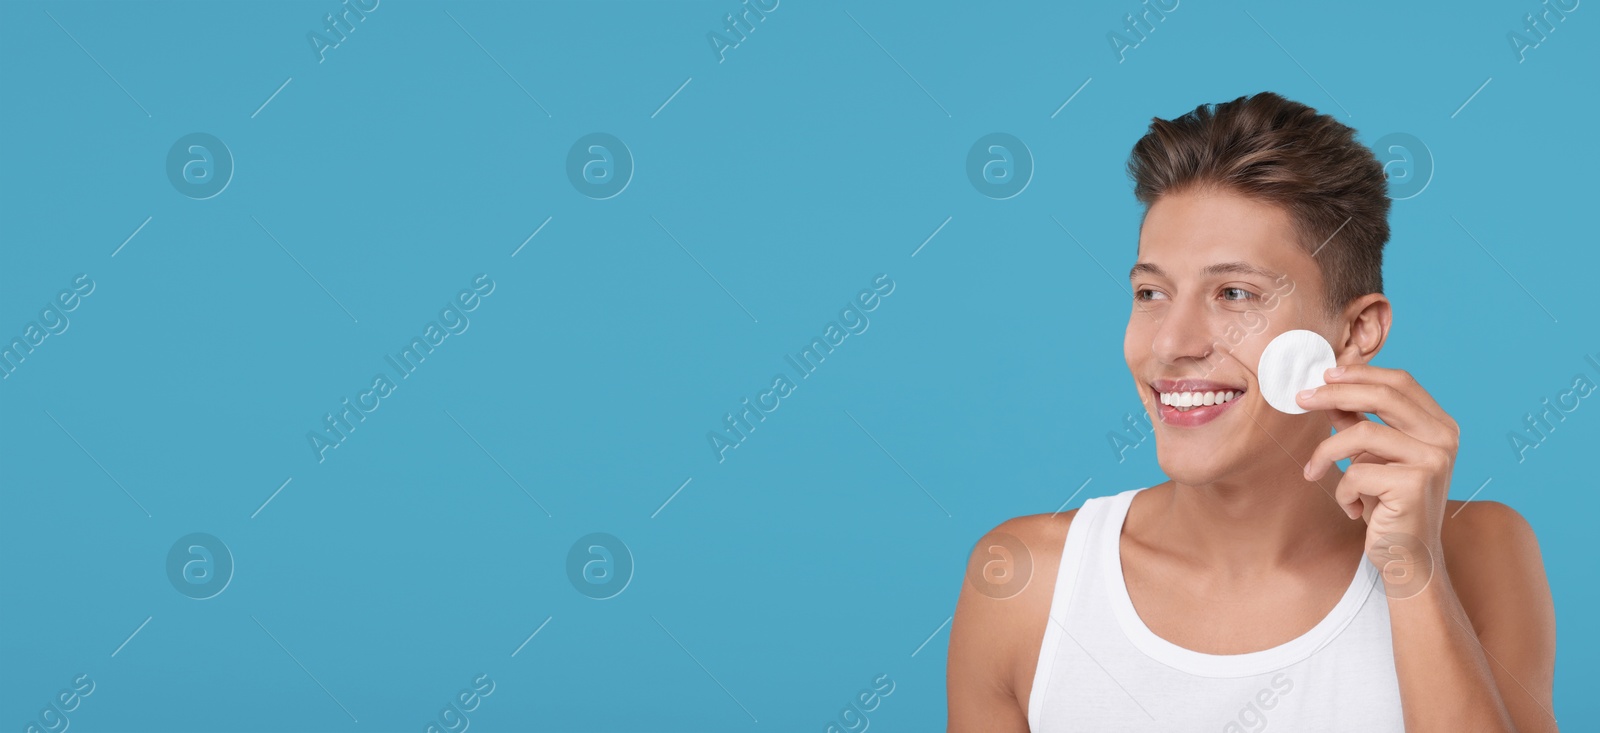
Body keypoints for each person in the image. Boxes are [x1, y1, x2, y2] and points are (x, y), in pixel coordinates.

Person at [946, 92, 1557, 732]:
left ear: (1354, 334)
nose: (1171, 344)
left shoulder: (1481, 552)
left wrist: (1414, 575)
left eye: (1235, 294)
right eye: (1151, 293)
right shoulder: (1025, 582)